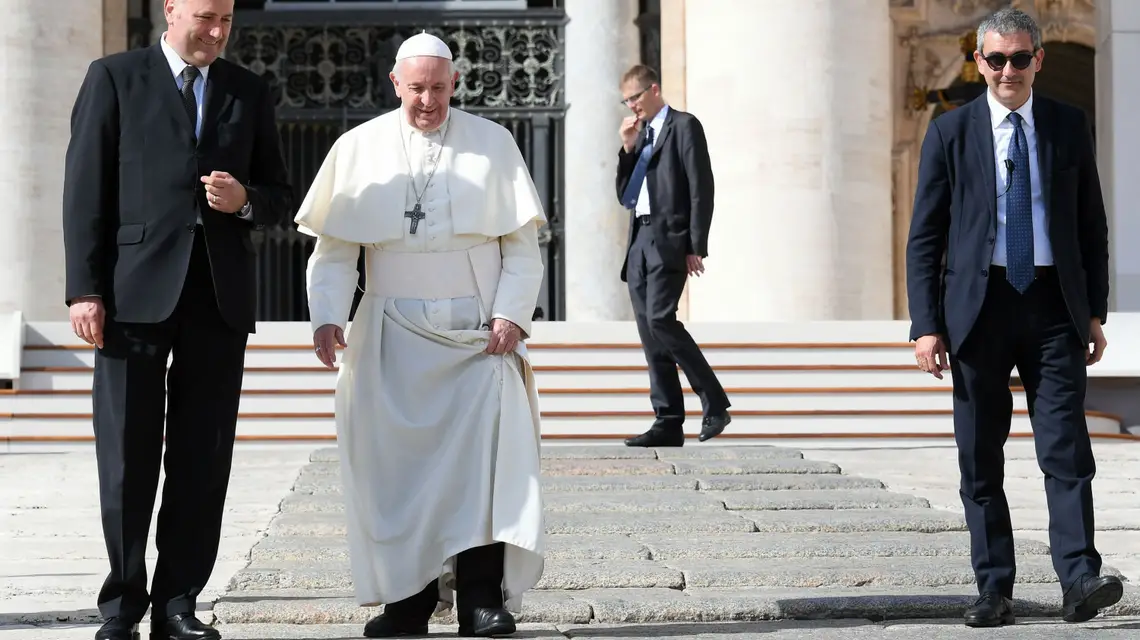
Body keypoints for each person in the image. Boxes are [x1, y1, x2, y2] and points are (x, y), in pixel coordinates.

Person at [295, 32, 546, 639]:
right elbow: (334, 252)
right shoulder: (358, 147)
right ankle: (407, 603)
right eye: (416, 89)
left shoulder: (493, 144)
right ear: (395, 84)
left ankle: (481, 601)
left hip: (475, 335)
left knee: (481, 473)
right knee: (397, 476)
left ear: (454, 84)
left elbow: (522, 249)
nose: (427, 101)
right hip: (391, 334)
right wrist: (327, 316)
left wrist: (511, 314)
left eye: (438, 88)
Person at [60, 0, 293, 638]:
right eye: (205, 18)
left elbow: (279, 194)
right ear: (172, 11)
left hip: (217, 300)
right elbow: (84, 186)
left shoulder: (248, 90)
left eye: (226, 22)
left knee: (202, 457)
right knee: (128, 456)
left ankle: (178, 604)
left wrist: (246, 201)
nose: (216, 32)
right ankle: (122, 605)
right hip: (130, 298)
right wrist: (85, 289)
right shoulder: (113, 76)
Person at [905, 7, 1120, 628]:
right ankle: (993, 588)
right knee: (980, 454)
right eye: (995, 59)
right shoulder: (951, 132)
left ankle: (1079, 578)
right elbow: (926, 235)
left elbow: (1091, 226)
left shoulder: (1066, 125)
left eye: (1019, 58)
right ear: (979, 62)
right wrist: (925, 324)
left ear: (1038, 61)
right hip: (978, 309)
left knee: (1067, 448)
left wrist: (1094, 312)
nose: (1008, 70)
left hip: (1054, 308)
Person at [614, 64, 731, 448]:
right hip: (639, 241)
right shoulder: (640, 134)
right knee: (650, 334)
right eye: (626, 100)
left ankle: (714, 399)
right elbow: (625, 195)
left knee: (663, 320)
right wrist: (627, 149)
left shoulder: (684, 125)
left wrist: (696, 244)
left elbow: (701, 187)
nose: (632, 106)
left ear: (654, 89)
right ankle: (667, 420)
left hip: (669, 239)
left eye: (635, 97)